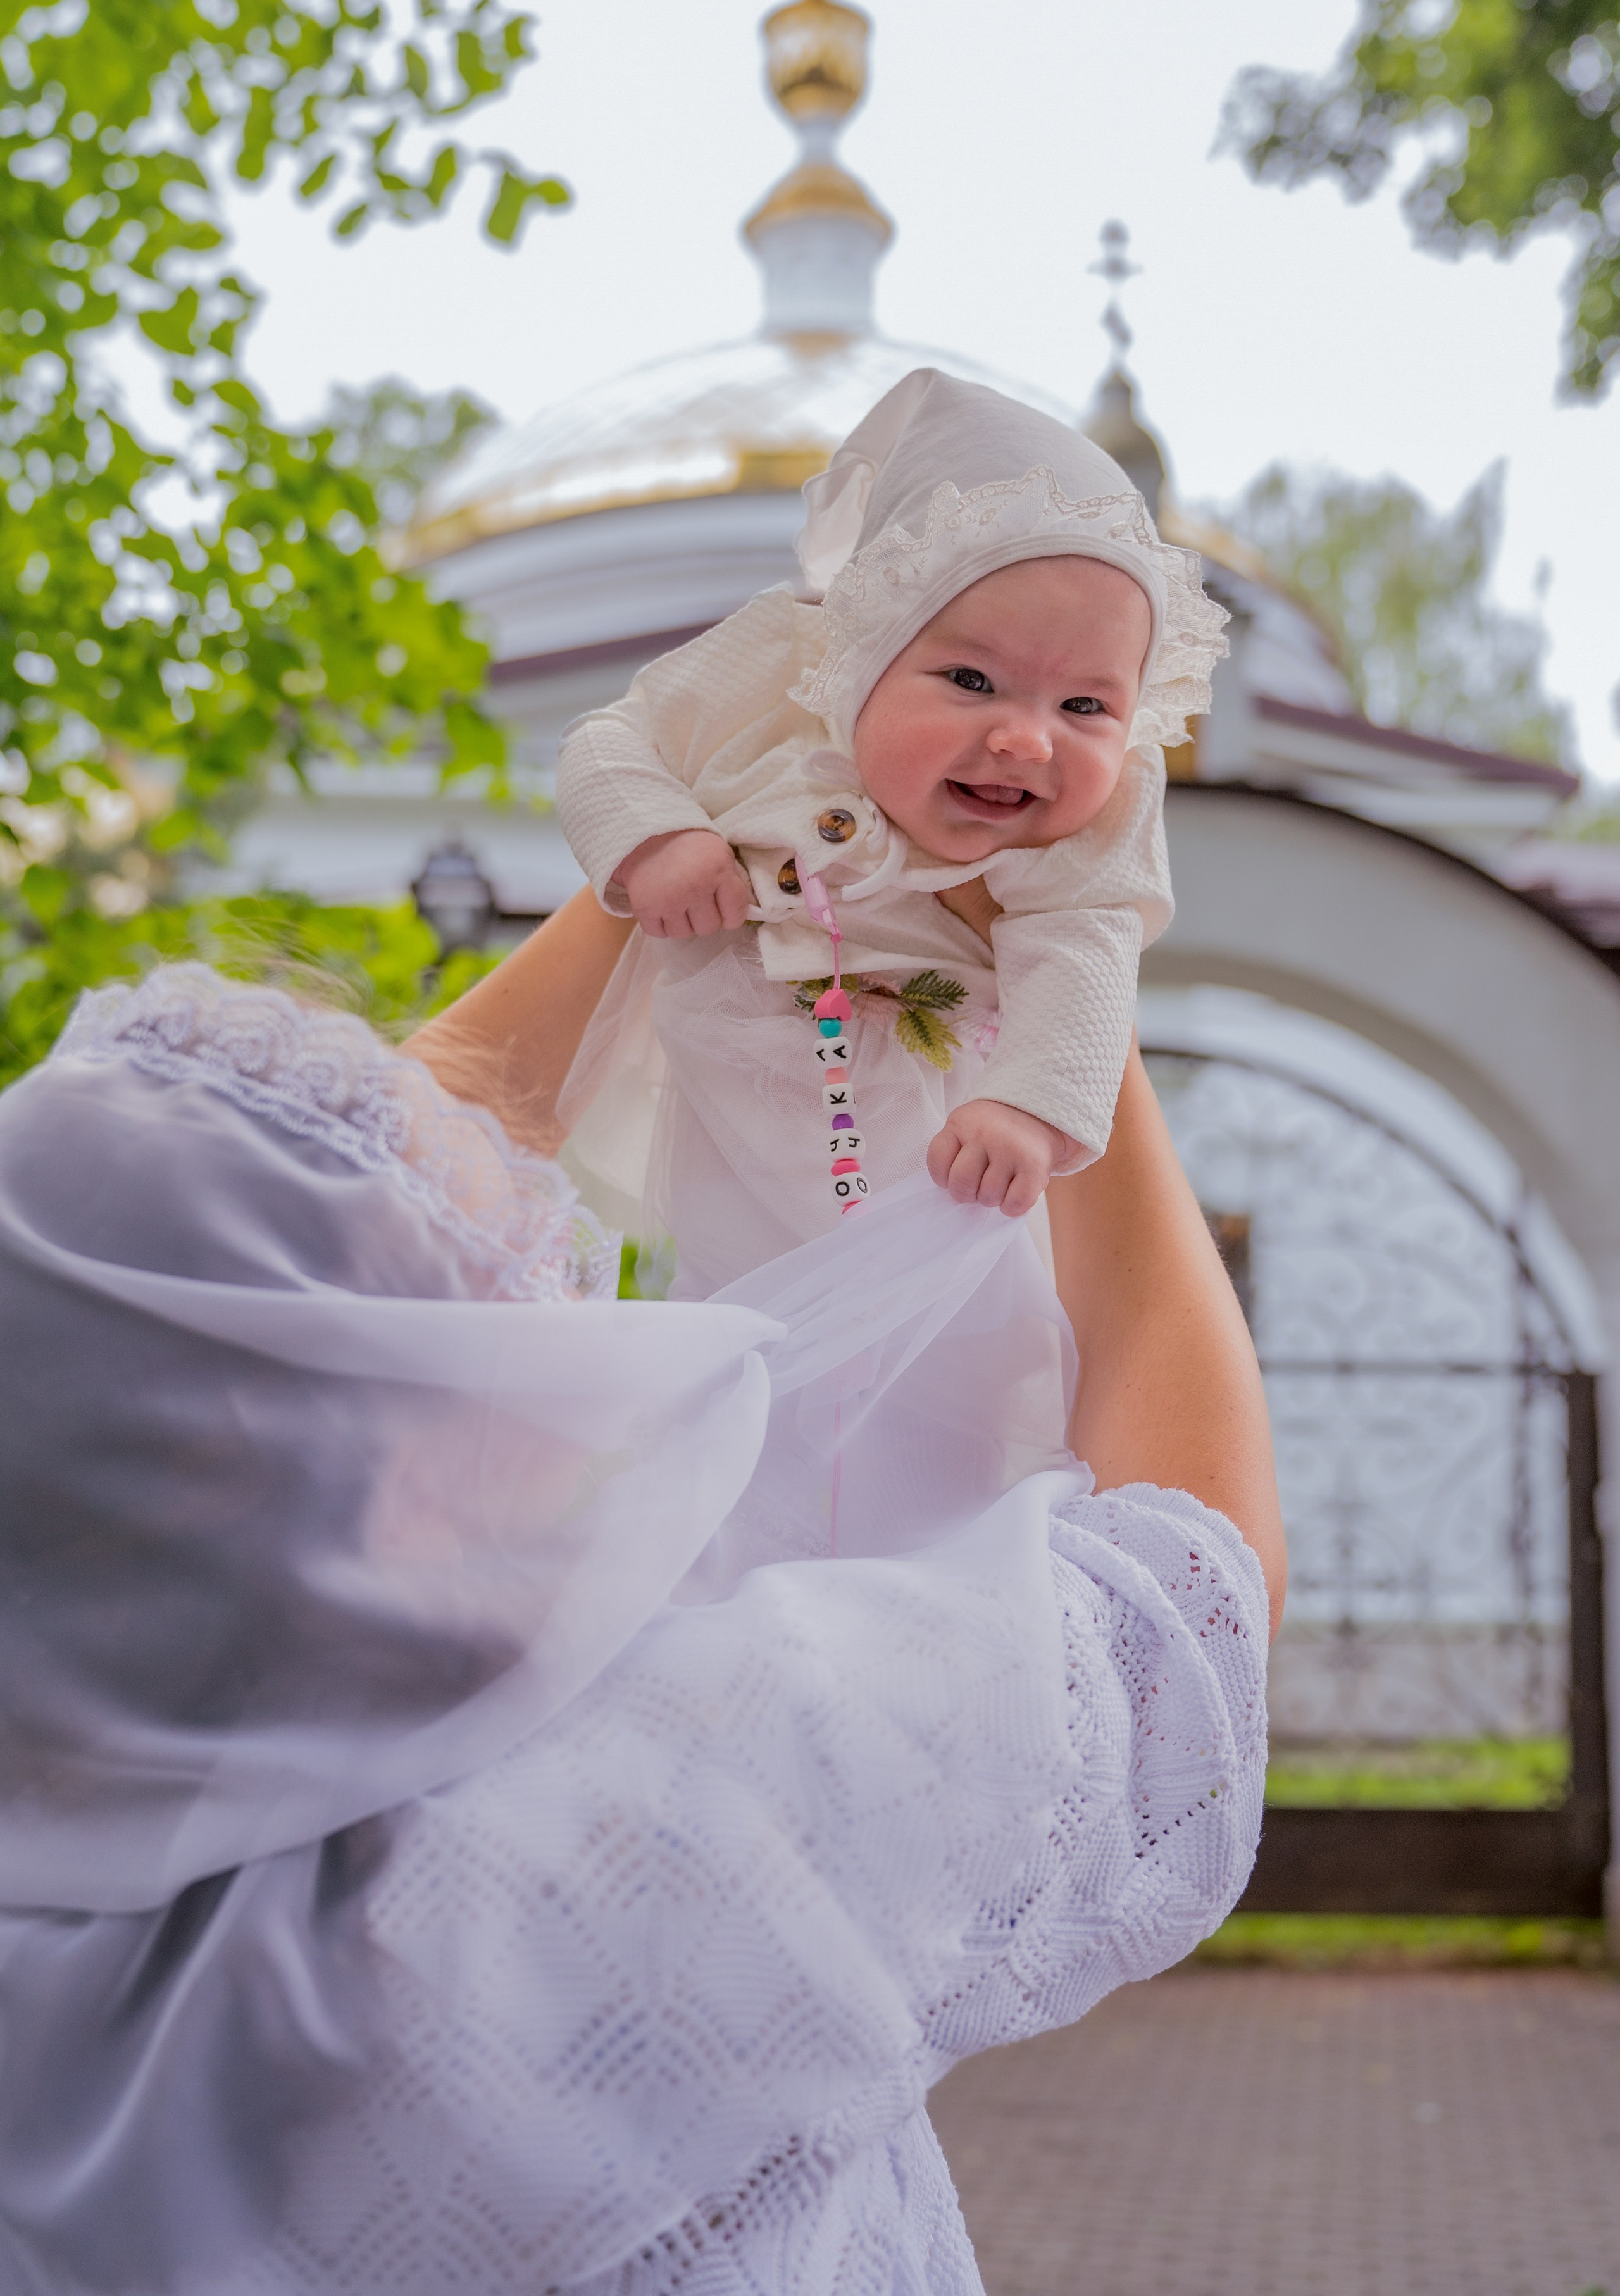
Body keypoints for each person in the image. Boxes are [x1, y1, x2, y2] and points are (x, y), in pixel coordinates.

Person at [0, 881, 1281, 2296]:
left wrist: (654, 862)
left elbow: (259, 1255)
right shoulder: (642, 1827)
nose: (549, 1360)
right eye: (509, 1336)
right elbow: (1181, 1602)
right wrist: (1066, 999)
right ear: (392, 1471)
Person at [554, 367, 1226, 1294]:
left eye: (1084, 704)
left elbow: (1089, 947)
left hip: (939, 1129)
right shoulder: (777, 676)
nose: (1027, 739)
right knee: (719, 1304)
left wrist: (1028, 1111)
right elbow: (613, 738)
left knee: (962, 1345)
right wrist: (659, 836)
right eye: (972, 681)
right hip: (722, 1085)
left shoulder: (1097, 818)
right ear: (864, 652)